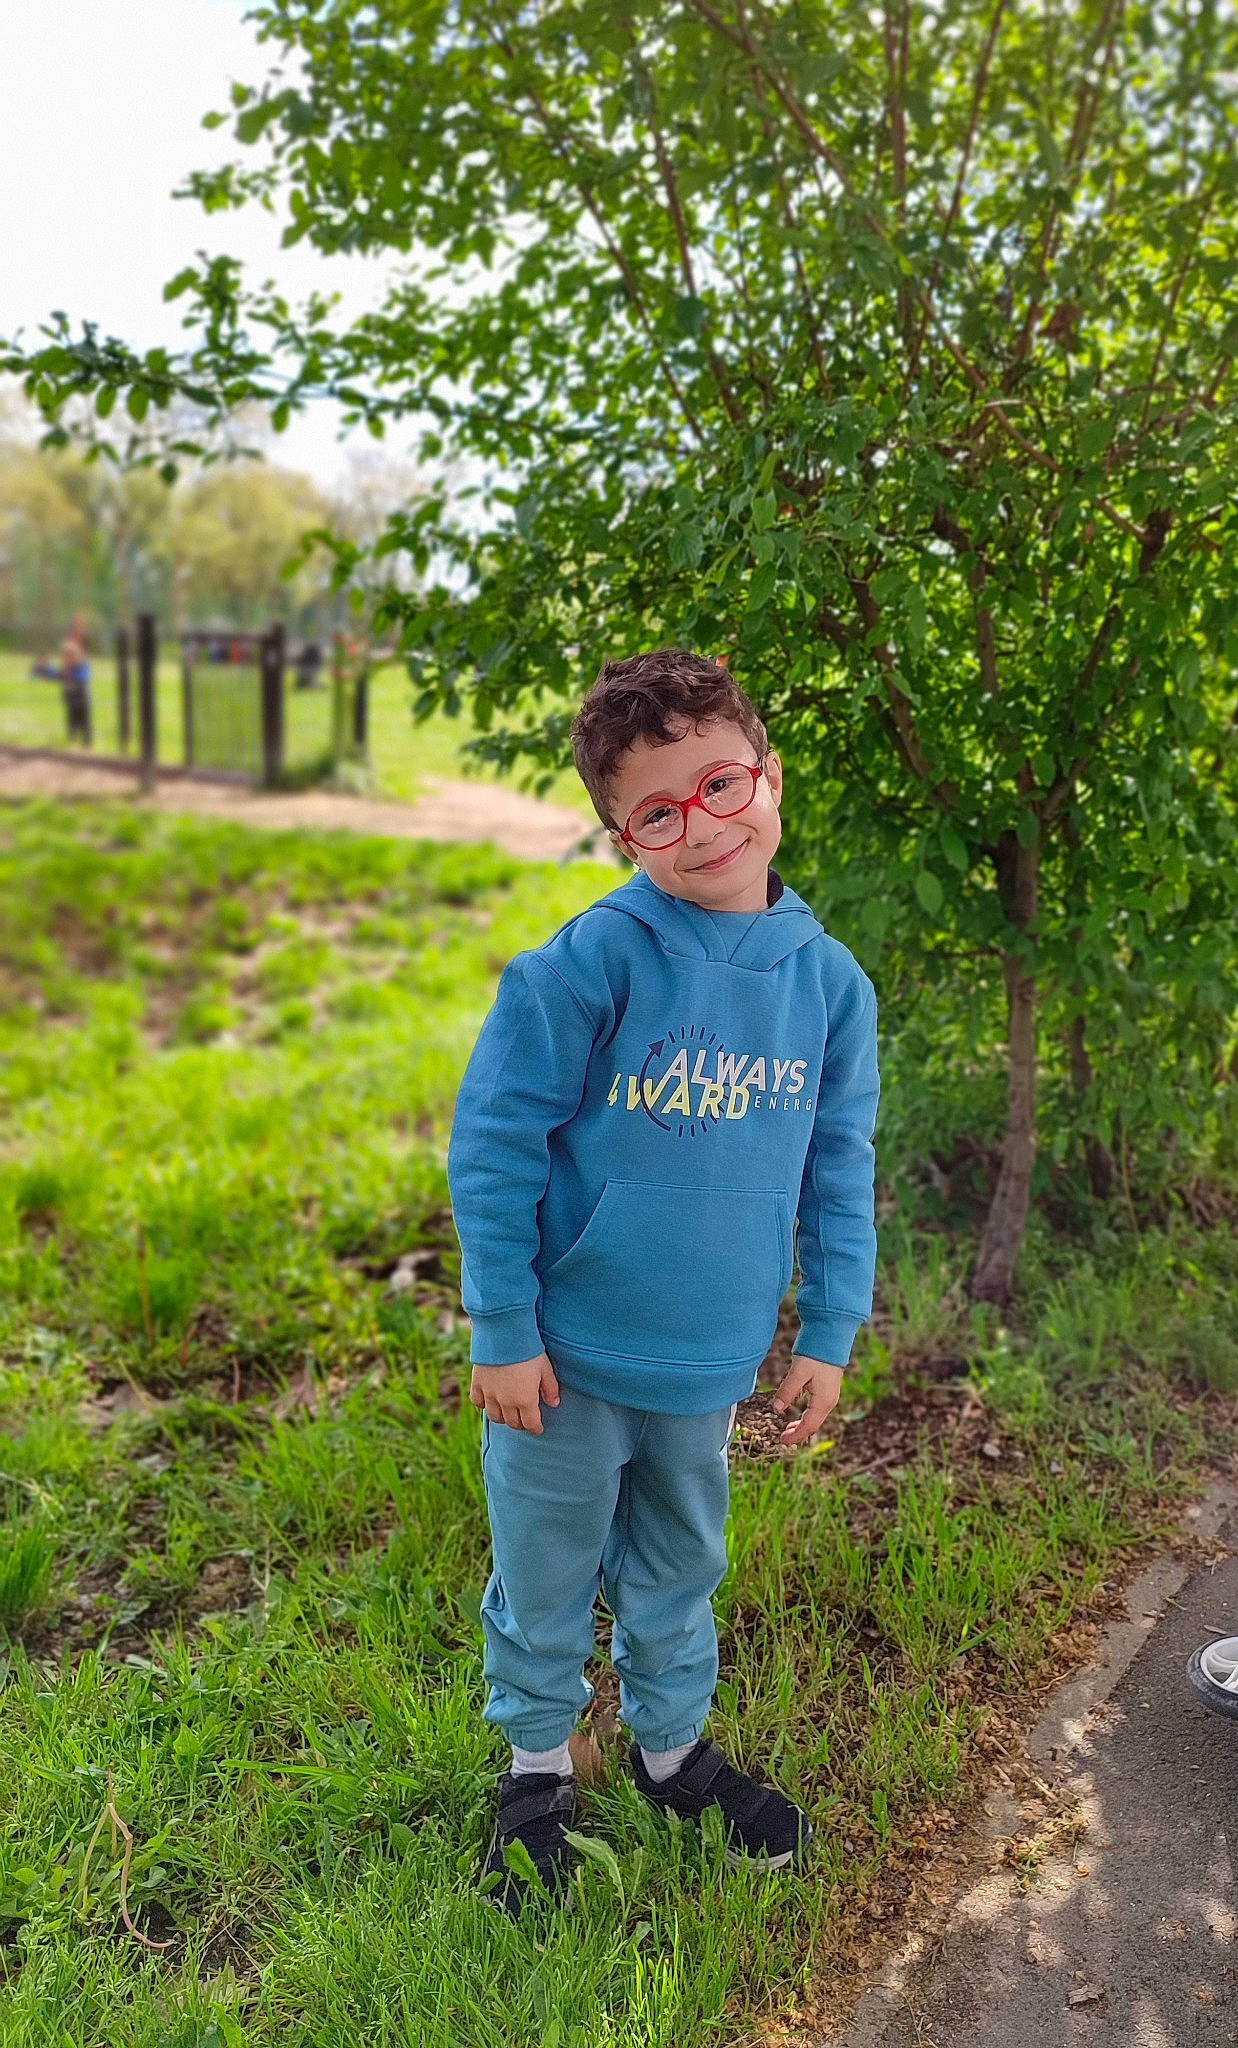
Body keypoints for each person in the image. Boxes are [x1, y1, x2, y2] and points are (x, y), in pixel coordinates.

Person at [447, 648, 879, 1915]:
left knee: (680, 1564)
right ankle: (535, 1765)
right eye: (657, 810)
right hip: (563, 1362)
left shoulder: (827, 985)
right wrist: (503, 1322)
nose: (703, 824)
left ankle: (672, 1751)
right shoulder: (587, 965)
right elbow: (496, 1145)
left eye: (722, 782)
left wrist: (831, 1324)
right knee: (545, 1565)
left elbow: (838, 1165)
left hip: (708, 1359)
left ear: (769, 775)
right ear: (620, 835)